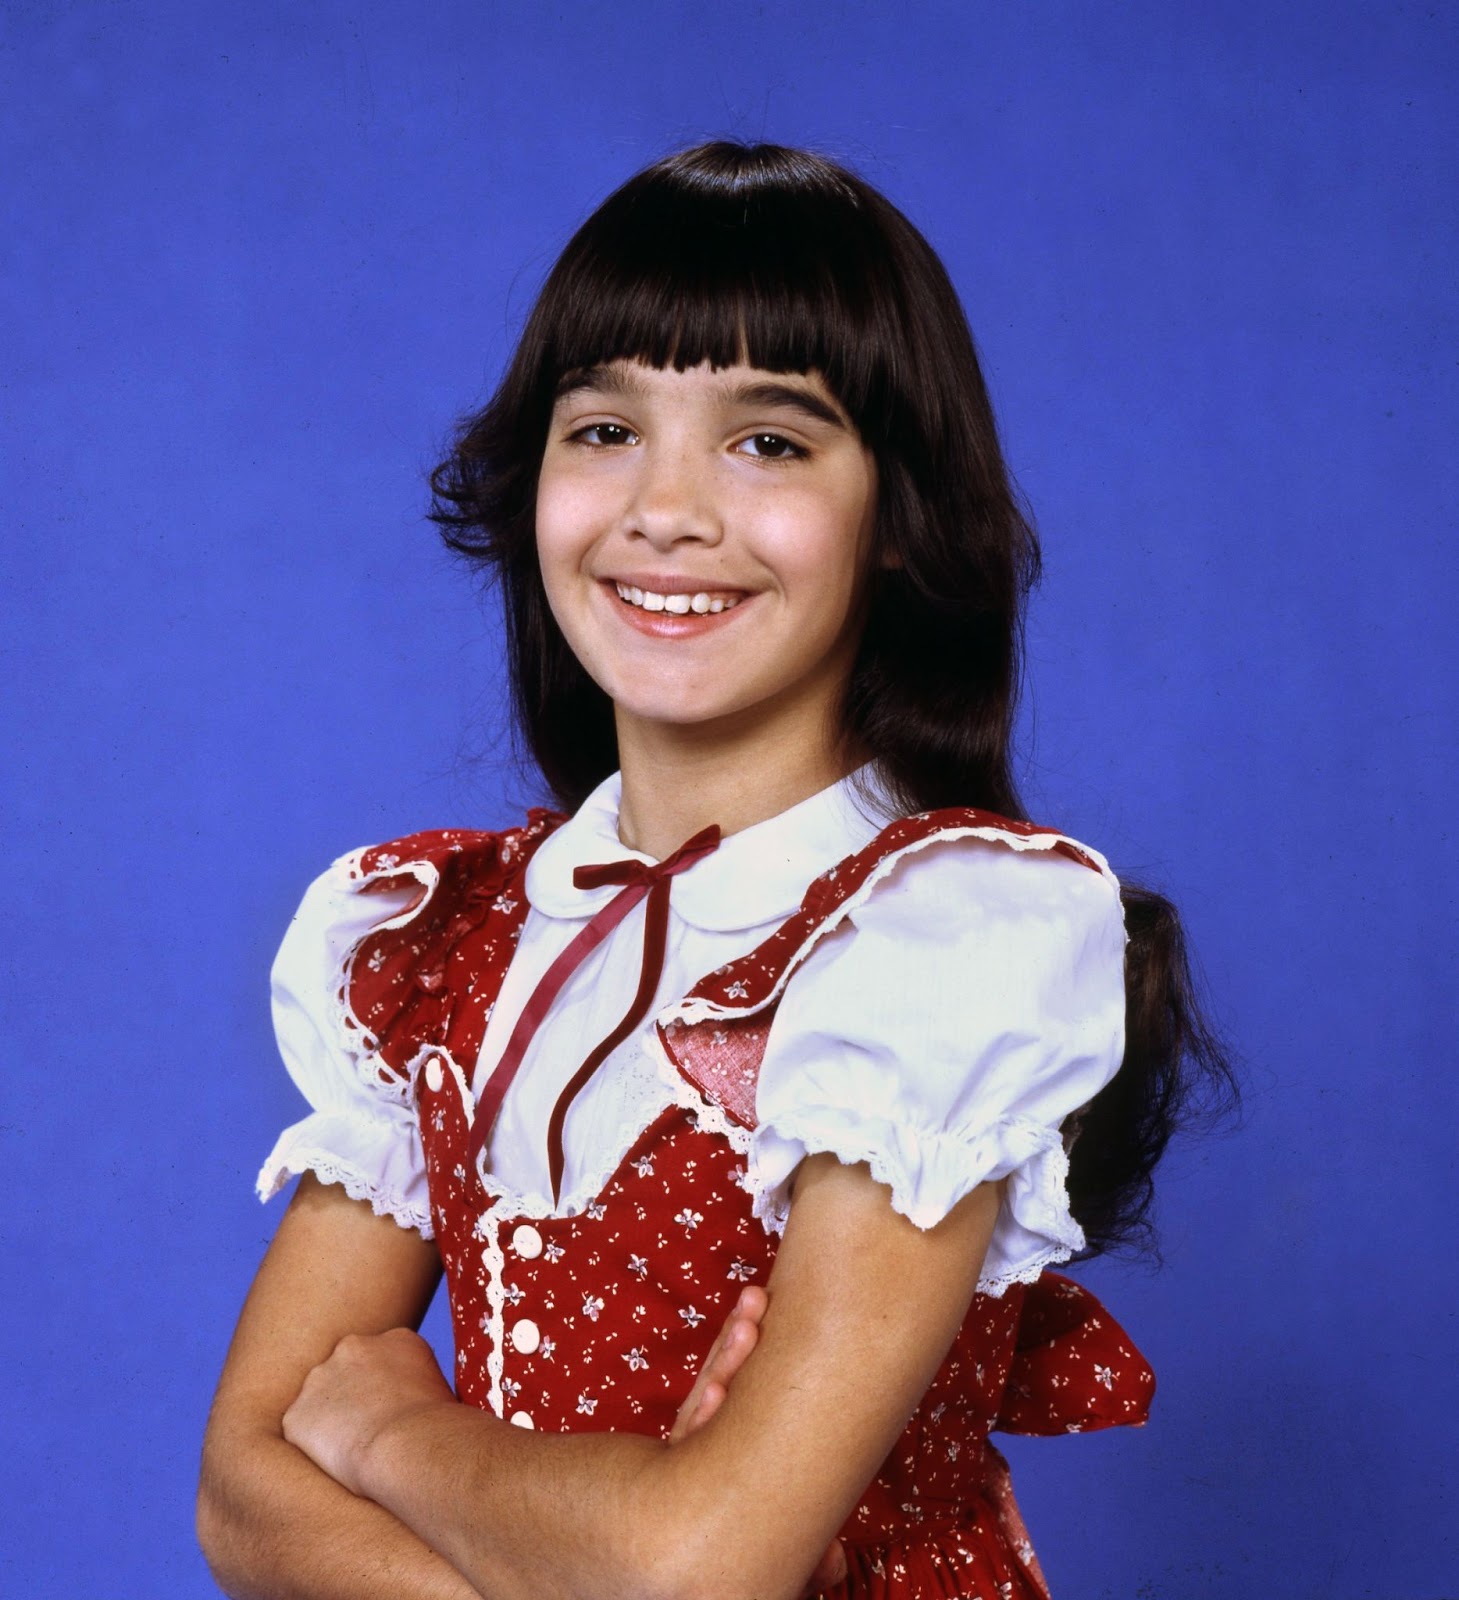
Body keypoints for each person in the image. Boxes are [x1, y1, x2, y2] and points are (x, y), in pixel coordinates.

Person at [198, 141, 1232, 1600]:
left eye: (770, 441)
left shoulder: (943, 938)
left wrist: (384, 1427)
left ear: (895, 516)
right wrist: (599, 1542)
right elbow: (243, 1494)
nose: (666, 509)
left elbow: (700, 1572)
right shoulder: (439, 938)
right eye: (603, 428)